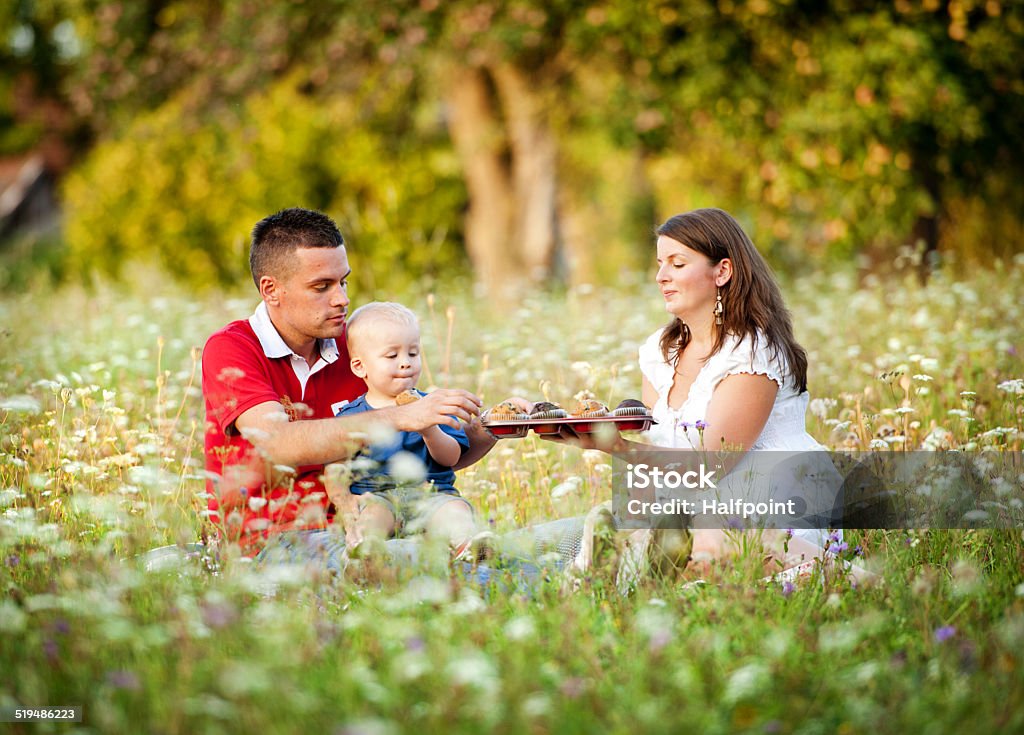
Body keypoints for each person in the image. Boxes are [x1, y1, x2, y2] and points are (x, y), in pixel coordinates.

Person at [556, 208, 850, 580]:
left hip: (775, 509)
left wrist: (614, 446)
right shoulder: (660, 353)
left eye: (677, 264)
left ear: (722, 271)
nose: (661, 276)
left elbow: (710, 467)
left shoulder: (752, 353)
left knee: (708, 539)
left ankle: (833, 571)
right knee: (601, 535)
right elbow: (656, 466)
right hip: (692, 512)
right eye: (660, 264)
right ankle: (630, 564)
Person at [201, 208, 489, 557]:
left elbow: (420, 453)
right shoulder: (233, 348)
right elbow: (278, 443)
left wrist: (492, 430)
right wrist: (402, 417)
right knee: (429, 567)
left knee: (486, 557)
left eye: (344, 281)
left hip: (367, 527)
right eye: (321, 286)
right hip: (274, 539)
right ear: (271, 289)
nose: (342, 299)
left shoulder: (355, 347)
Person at [333, 301, 491, 560]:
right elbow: (337, 465)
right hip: (377, 495)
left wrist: (430, 430)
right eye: (392, 356)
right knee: (371, 516)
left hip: (432, 494)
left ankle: (469, 546)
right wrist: (345, 502)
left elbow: (450, 459)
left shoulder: (436, 406)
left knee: (454, 510)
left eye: (413, 353)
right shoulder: (352, 417)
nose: (406, 363)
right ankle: (366, 552)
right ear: (359, 366)